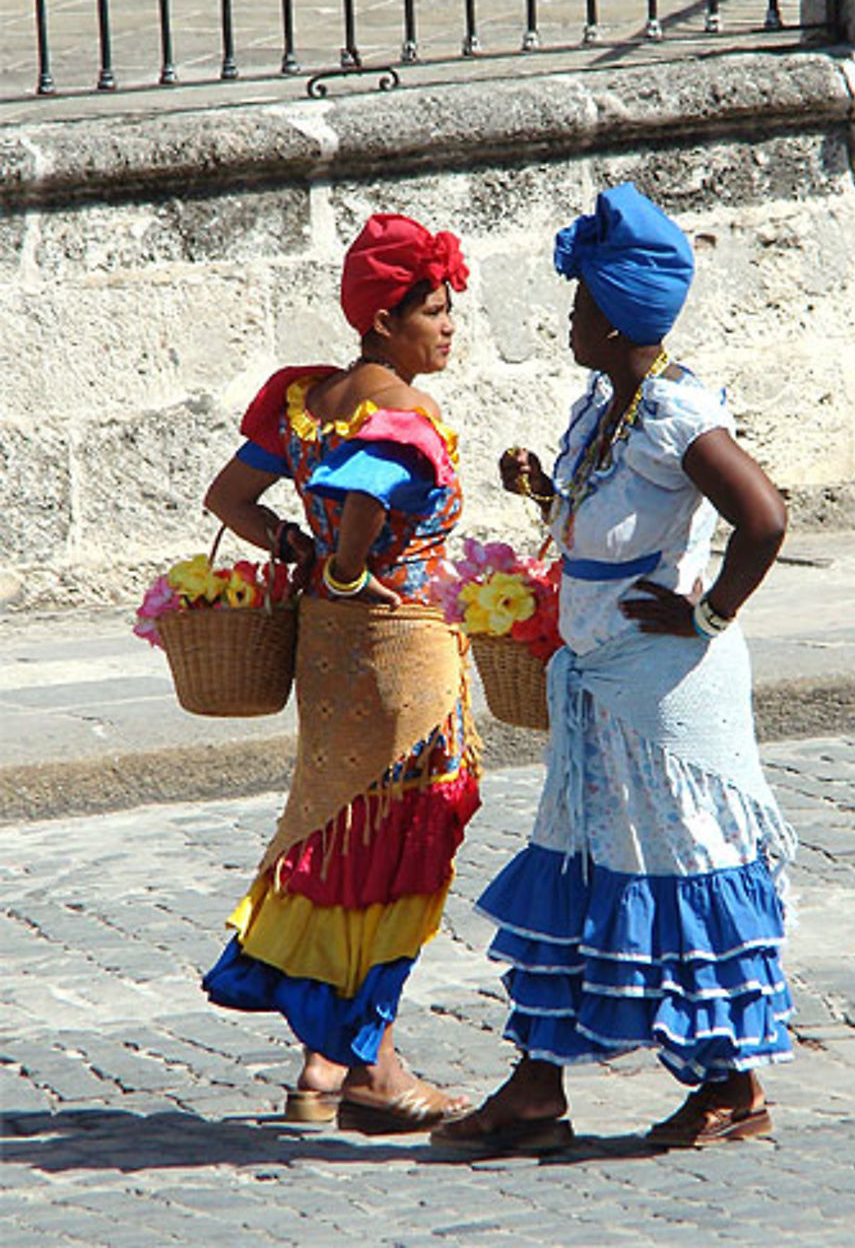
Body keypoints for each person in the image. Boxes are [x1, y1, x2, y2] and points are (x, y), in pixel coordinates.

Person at [432, 182, 797, 1157]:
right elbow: (598, 526)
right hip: (597, 687)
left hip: (664, 699)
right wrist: (545, 492)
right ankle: (535, 1087)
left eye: (578, 301)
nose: (568, 317)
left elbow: (762, 517)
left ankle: (731, 1086)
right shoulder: (604, 408)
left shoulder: (676, 414)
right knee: (579, 871)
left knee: (678, 873)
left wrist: (709, 611)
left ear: (614, 314)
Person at [201, 212, 481, 1133]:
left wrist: (296, 545)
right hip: (402, 652)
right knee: (403, 840)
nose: (449, 327)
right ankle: (374, 1066)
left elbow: (228, 499)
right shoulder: (403, 409)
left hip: (327, 653)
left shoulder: (305, 402)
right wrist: (352, 559)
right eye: (433, 312)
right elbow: (373, 486)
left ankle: (326, 1062)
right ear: (383, 322)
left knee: (341, 831)